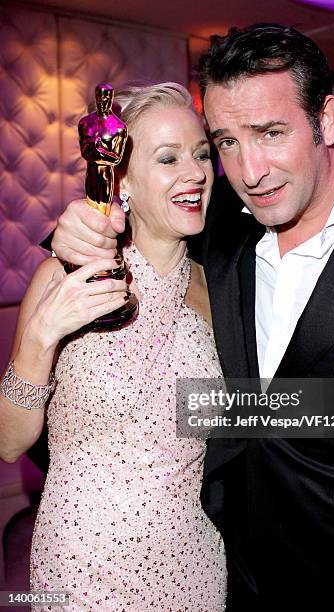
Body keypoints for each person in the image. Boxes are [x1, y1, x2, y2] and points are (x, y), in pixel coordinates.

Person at [43, 24, 334, 612]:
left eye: (270, 133)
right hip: (224, 560)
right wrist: (70, 229)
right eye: (224, 142)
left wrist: (249, 407)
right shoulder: (221, 215)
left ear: (325, 120)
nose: (249, 172)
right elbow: (137, 219)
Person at [0, 82, 226, 610]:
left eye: (200, 154)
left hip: (194, 562)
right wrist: (38, 337)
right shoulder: (66, 274)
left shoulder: (215, 291)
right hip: (85, 565)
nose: (195, 173)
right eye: (168, 158)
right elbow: (9, 443)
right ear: (120, 178)